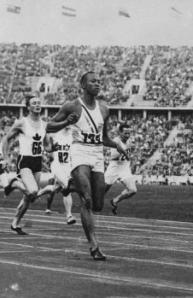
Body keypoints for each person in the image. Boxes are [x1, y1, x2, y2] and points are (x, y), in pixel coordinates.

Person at [47, 71, 128, 261]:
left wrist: (118, 146)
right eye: (93, 82)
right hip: (79, 153)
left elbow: (105, 138)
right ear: (83, 86)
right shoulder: (72, 105)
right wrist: (67, 122)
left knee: (98, 204)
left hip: (97, 154)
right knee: (87, 199)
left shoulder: (104, 109)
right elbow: (49, 126)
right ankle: (93, 245)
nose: (98, 84)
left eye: (100, 81)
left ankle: (71, 185)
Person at [1, 96, 49, 235]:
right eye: (34, 103)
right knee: (33, 191)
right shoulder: (22, 123)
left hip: (37, 161)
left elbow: (46, 145)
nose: (37, 105)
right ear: (28, 107)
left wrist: (54, 148)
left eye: (39, 103)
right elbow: (6, 140)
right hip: (25, 161)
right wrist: (5, 159)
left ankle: (15, 224)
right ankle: (14, 183)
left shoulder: (44, 124)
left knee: (29, 197)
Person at [42, 126, 77, 225]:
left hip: (68, 167)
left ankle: (39, 192)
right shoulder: (55, 134)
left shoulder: (74, 134)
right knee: (67, 187)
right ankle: (69, 216)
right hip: (57, 166)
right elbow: (46, 145)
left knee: (55, 188)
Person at [105, 123, 138, 215]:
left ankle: (115, 201)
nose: (127, 135)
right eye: (125, 133)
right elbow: (114, 156)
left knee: (133, 190)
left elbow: (128, 154)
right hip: (114, 168)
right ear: (120, 132)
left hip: (124, 168)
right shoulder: (116, 141)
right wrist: (123, 152)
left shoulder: (129, 141)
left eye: (129, 133)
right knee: (101, 192)